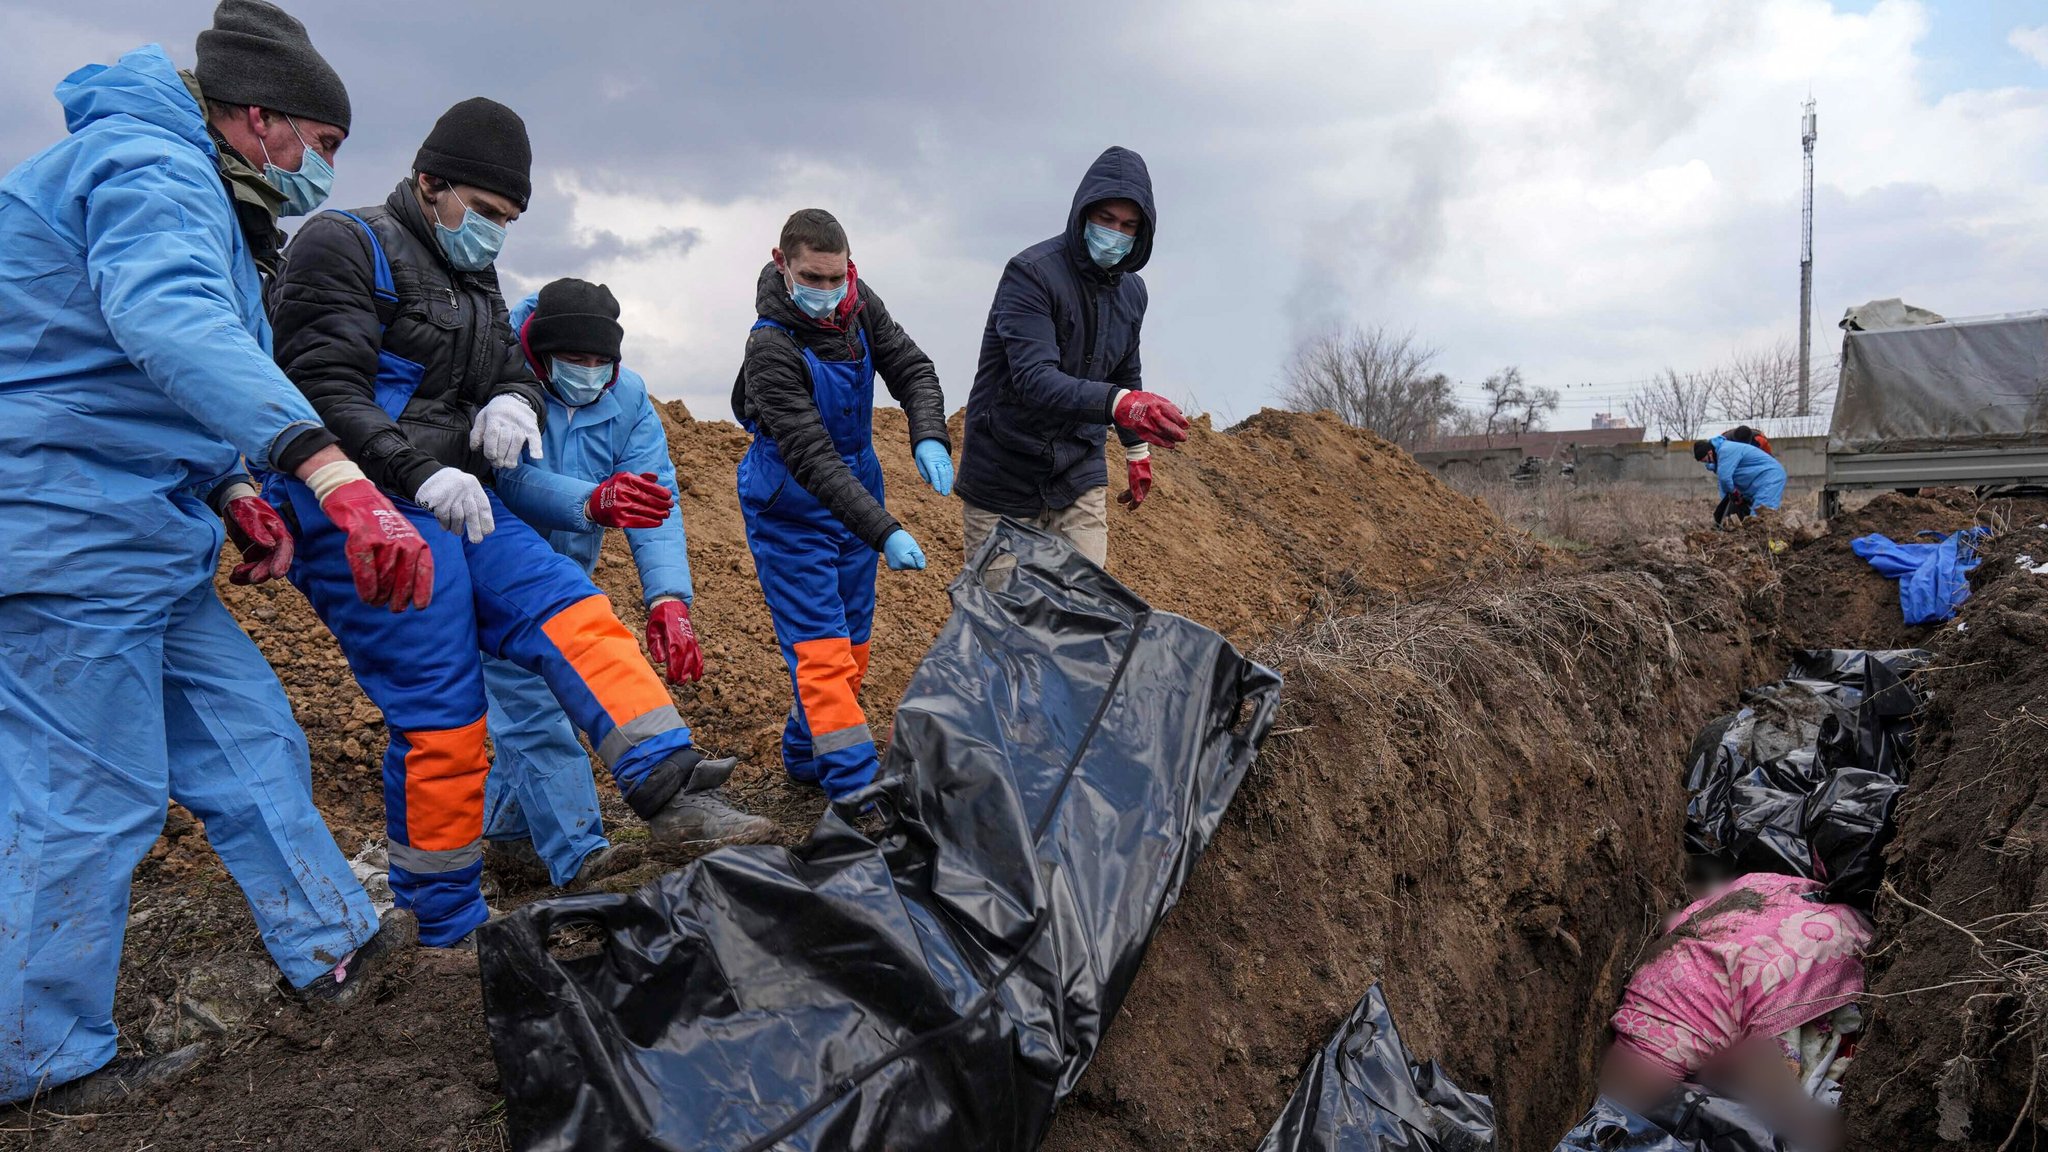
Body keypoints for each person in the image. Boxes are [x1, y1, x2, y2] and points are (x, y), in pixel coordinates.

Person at [0, 1, 430, 1106]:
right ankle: (38, 1064)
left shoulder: (200, 193)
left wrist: (235, 485)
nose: (321, 170)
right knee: (87, 791)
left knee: (249, 735)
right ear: (261, 118)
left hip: (139, 528)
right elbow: (167, 322)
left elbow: (133, 372)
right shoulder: (150, 166)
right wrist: (325, 470)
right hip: (56, 524)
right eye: (322, 146)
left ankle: (336, 947)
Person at [266, 99, 758, 948]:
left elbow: (506, 365)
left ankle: (675, 791)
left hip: (458, 501)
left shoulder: (472, 278)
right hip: (363, 510)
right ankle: (446, 929)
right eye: (486, 214)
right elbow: (319, 389)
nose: (494, 234)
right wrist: (417, 470)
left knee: (573, 610)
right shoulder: (342, 243)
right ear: (430, 184)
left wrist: (511, 399)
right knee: (444, 719)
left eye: (509, 221)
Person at [481, 278, 768, 889]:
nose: (589, 373)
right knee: (534, 711)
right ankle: (581, 859)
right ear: (539, 351)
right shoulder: (501, 382)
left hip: (566, 575)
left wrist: (669, 598)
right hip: (495, 572)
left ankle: (507, 841)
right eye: (574, 361)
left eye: (601, 363)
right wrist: (592, 500)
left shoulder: (628, 397)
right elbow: (504, 480)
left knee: (534, 703)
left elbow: (655, 501)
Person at [733, 209, 950, 801]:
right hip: (791, 505)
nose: (827, 292)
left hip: (857, 487)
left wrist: (927, 429)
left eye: (837, 278)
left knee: (852, 645)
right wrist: (885, 531)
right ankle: (856, 793)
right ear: (783, 265)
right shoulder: (770, 346)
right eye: (813, 278)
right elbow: (809, 454)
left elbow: (912, 367)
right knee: (822, 654)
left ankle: (805, 754)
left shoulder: (859, 304)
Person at [954, 146, 1192, 568]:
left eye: (1128, 226)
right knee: (1003, 623)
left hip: (1077, 469)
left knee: (1085, 615)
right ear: (1083, 214)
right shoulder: (1031, 275)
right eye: (1106, 219)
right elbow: (1034, 378)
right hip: (1005, 469)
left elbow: (1124, 371)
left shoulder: (1133, 292)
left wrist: (1136, 451)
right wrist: (1120, 404)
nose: (1115, 232)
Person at [1598, 873, 1872, 1150]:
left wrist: (1809, 1129)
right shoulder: (1658, 1026)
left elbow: (1760, 1070)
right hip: (1793, 907)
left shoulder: (1664, 1034)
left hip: (1810, 936)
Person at [1696, 434, 1787, 525]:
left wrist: (1734, 493)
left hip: (1770, 477)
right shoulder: (1719, 459)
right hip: (1756, 481)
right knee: (1749, 517)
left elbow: (1725, 479)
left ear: (1710, 452)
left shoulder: (1726, 450)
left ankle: (1765, 537)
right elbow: (1724, 486)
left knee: (1760, 517)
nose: (1707, 463)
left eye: (1706, 460)